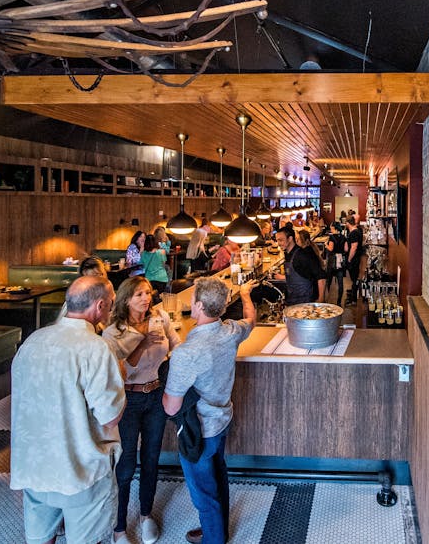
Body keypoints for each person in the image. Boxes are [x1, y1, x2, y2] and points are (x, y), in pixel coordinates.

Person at [10, 276, 125, 544]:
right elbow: (110, 417)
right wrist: (120, 377)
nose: (109, 311)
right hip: (79, 466)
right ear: (99, 306)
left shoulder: (32, 341)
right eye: (109, 305)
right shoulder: (96, 348)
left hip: (33, 464)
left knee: (41, 539)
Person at [163, 278, 257, 544]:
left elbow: (171, 406)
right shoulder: (231, 331)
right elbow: (251, 319)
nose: (190, 303)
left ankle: (214, 538)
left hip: (198, 431)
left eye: (192, 299)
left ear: (200, 306)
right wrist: (246, 294)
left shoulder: (186, 353)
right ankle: (216, 531)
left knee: (203, 493)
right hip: (222, 420)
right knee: (218, 477)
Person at [103, 277, 180, 544]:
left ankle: (146, 515)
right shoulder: (114, 331)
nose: (146, 299)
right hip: (128, 399)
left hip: (156, 394)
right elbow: (123, 365)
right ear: (125, 299)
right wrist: (144, 341)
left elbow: (175, 345)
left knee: (151, 458)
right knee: (125, 465)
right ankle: (119, 527)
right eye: (138, 294)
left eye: (147, 293)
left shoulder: (159, 317)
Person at [274, 226, 326, 305]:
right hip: (293, 300)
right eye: (277, 240)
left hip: (306, 301)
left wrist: (321, 299)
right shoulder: (287, 254)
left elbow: (321, 276)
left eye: (281, 240)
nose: (278, 243)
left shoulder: (302, 255)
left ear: (290, 239)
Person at [323, 222, 348, 305]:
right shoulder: (344, 237)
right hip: (340, 261)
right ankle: (339, 302)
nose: (331, 230)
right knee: (340, 283)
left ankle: (326, 300)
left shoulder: (332, 237)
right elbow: (346, 249)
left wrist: (326, 245)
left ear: (335, 229)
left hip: (332, 261)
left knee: (328, 281)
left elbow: (331, 248)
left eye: (332, 228)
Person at [344, 215, 364, 304]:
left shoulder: (354, 233)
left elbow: (353, 248)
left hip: (354, 259)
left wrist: (349, 259)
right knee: (354, 278)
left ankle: (354, 299)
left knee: (354, 278)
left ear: (348, 223)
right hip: (355, 258)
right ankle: (353, 296)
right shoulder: (354, 231)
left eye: (346, 223)